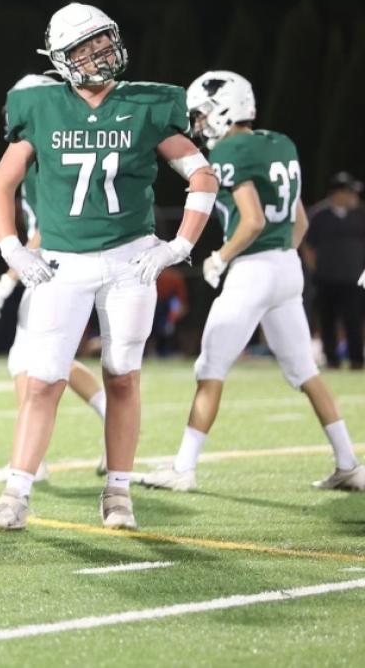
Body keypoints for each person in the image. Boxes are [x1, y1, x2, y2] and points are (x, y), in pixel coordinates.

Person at [0, 2, 218, 532]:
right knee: (42, 381)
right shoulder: (40, 105)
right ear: (62, 59)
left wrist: (179, 245)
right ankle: (15, 495)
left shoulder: (146, 103)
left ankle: (119, 494)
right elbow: (0, 185)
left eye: (103, 40)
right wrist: (12, 249)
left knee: (123, 377)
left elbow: (203, 176)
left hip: (130, 262)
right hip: (62, 264)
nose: (100, 52)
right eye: (85, 47)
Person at [136, 71, 365, 492]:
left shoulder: (230, 151)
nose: (199, 124)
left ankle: (183, 468)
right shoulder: (281, 143)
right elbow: (298, 221)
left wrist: (220, 257)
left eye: (201, 114)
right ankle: (349, 463)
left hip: (253, 269)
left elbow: (253, 220)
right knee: (306, 372)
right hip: (287, 267)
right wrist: (280, 260)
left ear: (223, 108)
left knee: (210, 368)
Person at [0, 74, 107, 485]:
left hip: (57, 261)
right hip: (72, 259)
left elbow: (47, 226)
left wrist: (10, 275)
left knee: (29, 360)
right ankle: (108, 416)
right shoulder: (57, 144)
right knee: (46, 357)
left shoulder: (45, 154)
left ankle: (31, 463)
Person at [303, 172, 364, 369]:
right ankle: (331, 359)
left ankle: (356, 359)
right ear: (339, 193)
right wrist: (314, 268)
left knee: (354, 319)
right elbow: (307, 245)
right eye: (350, 192)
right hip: (326, 278)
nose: (354, 196)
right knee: (327, 320)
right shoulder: (319, 215)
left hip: (354, 278)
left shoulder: (360, 215)